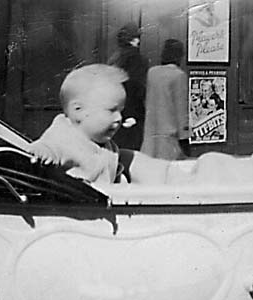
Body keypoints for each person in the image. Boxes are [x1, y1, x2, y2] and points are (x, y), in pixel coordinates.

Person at [27, 64, 171, 185]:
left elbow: (112, 170)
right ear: (78, 111)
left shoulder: (104, 144)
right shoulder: (62, 137)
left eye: (121, 111)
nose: (119, 117)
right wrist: (41, 153)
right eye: (112, 110)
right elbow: (44, 148)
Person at [141, 39, 190, 160]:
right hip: (169, 138)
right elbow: (181, 109)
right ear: (180, 56)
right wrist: (185, 136)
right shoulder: (179, 76)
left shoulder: (152, 72)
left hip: (150, 137)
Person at [107, 22, 149, 151]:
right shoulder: (136, 59)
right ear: (134, 40)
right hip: (132, 113)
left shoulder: (114, 59)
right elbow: (134, 87)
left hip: (114, 111)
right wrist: (132, 115)